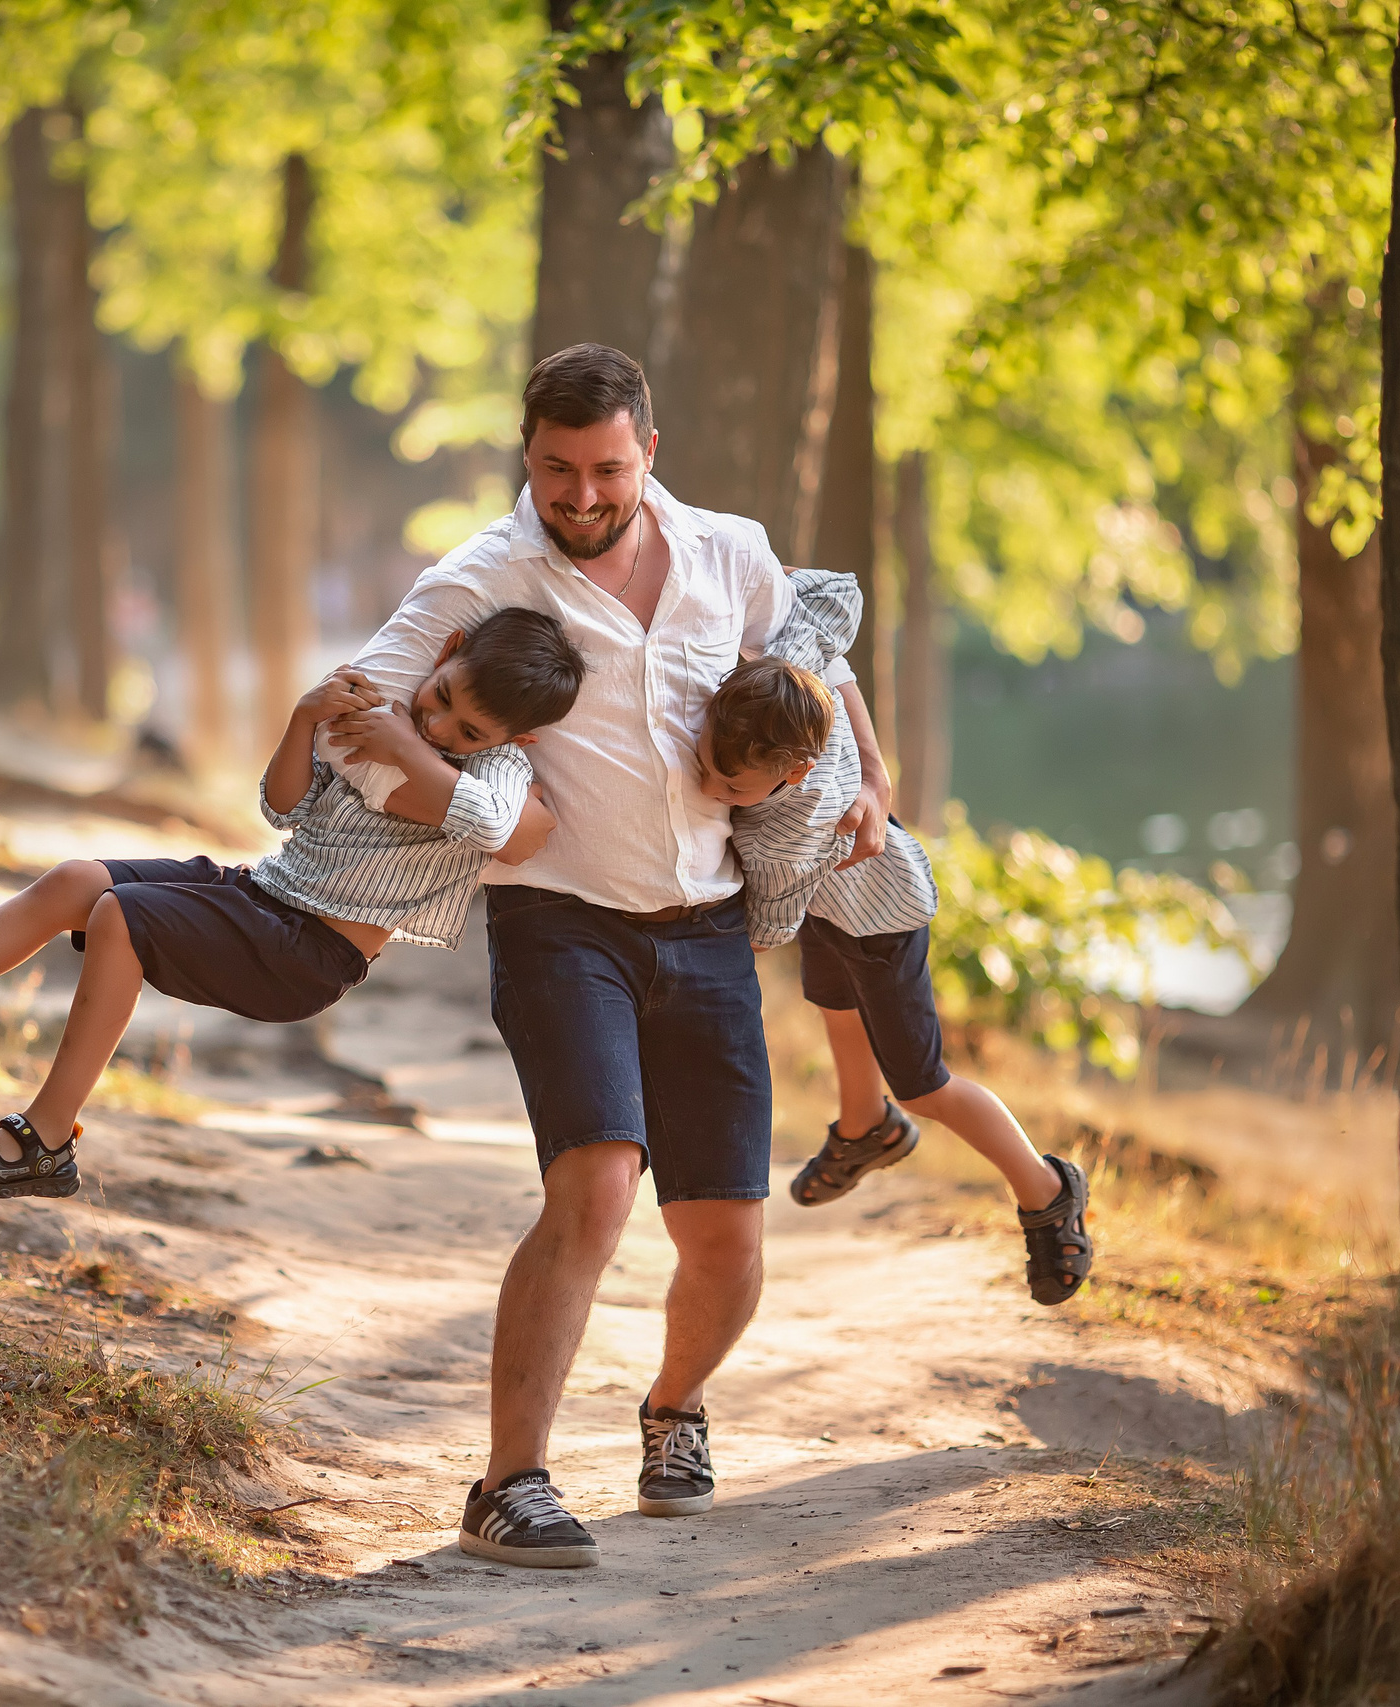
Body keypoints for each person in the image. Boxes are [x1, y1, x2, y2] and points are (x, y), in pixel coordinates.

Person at [333, 342, 872, 1570]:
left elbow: (818, 670)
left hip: (708, 925)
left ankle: (673, 1411)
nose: (582, 497)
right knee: (595, 1187)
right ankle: (506, 1485)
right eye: (557, 470)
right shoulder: (478, 577)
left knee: (726, 1240)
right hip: (558, 919)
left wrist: (872, 783)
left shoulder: (730, 551)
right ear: (525, 455)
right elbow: (361, 723)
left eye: (607, 471)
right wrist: (471, 805)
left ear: (649, 451)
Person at [0, 606, 586, 1200]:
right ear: (442, 654)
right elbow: (281, 809)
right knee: (74, 882)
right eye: (439, 696)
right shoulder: (380, 711)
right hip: (260, 892)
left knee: (120, 918)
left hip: (307, 953)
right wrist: (305, 716)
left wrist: (413, 748)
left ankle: (47, 1138)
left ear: (510, 742)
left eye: (467, 730)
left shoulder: (491, 775)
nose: (439, 724)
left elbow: (496, 827)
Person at [692, 609, 1096, 1308]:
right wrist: (783, 591)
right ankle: (864, 1127)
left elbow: (769, 925)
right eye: (705, 769)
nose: (711, 789)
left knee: (923, 1083)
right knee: (836, 1007)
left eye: (729, 789)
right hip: (837, 902)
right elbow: (829, 618)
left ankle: (1047, 1190)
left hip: (882, 916)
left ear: (795, 774)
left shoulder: (793, 827)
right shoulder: (781, 696)